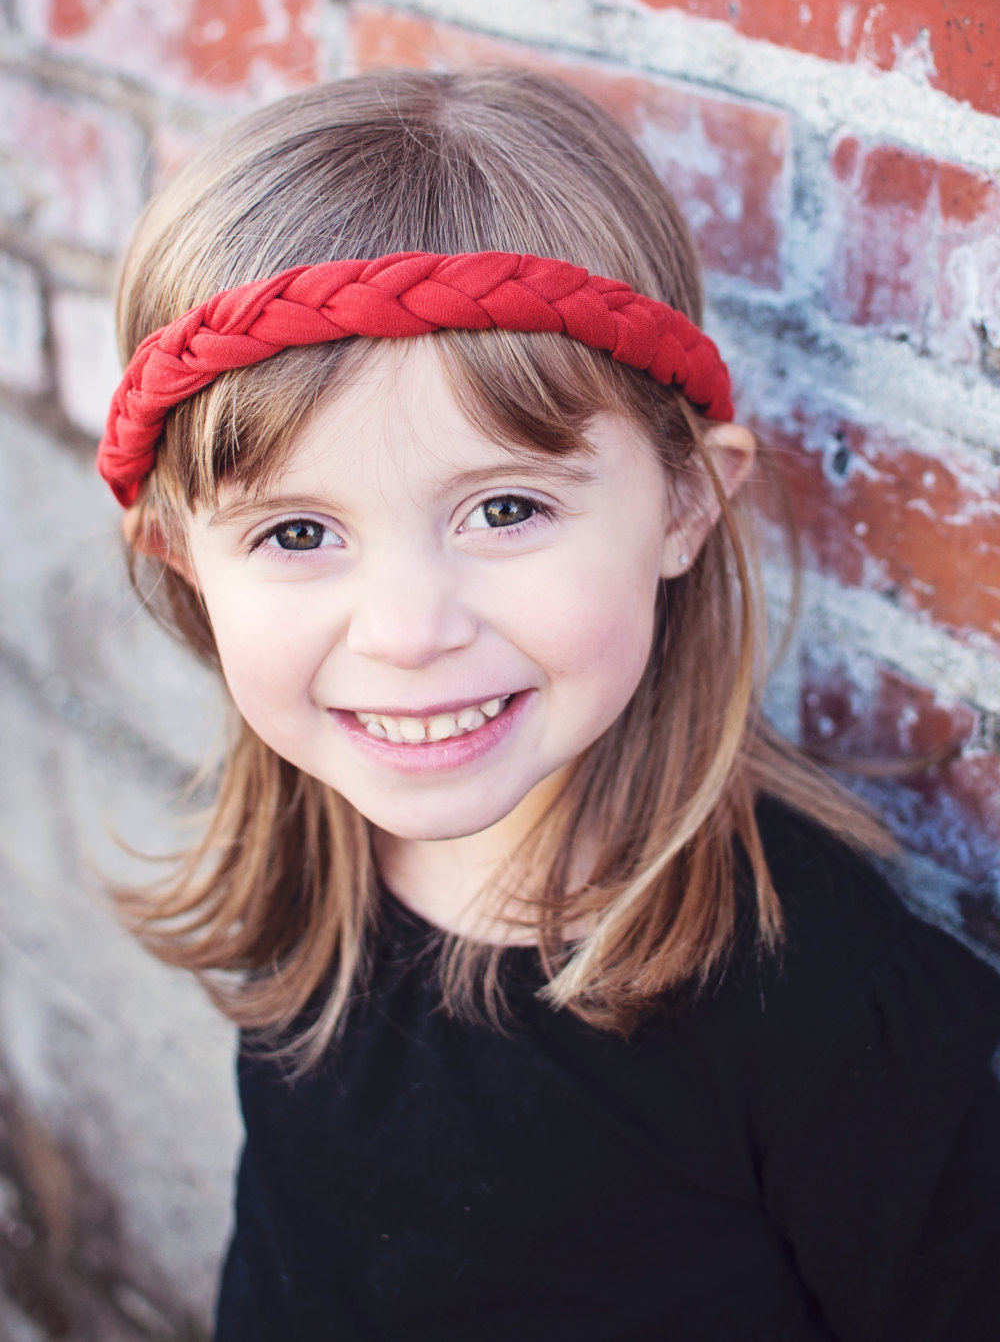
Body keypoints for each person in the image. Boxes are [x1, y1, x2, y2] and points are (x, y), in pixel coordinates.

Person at [97, 68, 1000, 1341]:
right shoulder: (317, 856)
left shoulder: (830, 1015)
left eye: (506, 509)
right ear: (185, 559)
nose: (409, 633)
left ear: (688, 501)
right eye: (299, 531)